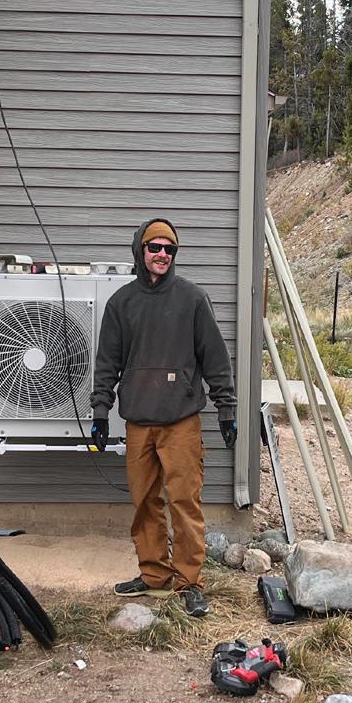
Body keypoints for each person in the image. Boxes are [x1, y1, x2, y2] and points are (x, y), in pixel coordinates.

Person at [90, 218, 237, 616]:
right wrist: (100, 411)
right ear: (140, 250)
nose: (161, 254)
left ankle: (189, 582)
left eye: (169, 249)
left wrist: (226, 409)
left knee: (185, 503)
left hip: (181, 421)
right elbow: (107, 363)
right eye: (154, 247)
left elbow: (216, 359)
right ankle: (154, 575)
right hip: (139, 422)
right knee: (145, 501)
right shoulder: (121, 303)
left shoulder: (193, 299)